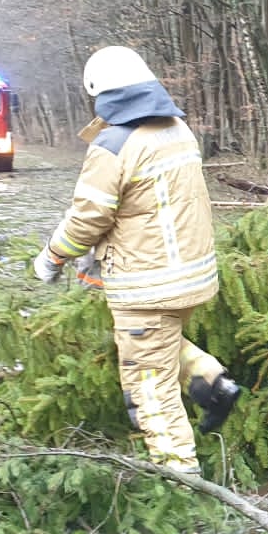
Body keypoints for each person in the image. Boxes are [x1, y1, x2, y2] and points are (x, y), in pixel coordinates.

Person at [32, 46, 241, 472]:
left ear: (102, 94)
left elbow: (88, 217)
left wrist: (53, 256)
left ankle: (179, 476)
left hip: (146, 285)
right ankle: (212, 383)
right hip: (190, 276)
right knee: (157, 344)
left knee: (148, 384)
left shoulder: (115, 144)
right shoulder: (178, 130)